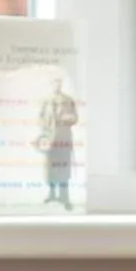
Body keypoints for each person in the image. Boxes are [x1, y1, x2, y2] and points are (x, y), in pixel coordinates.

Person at [36, 77, 80, 209]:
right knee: (51, 168)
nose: (57, 85)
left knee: (64, 168)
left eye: (59, 83)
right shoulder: (46, 100)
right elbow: (40, 117)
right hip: (50, 139)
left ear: (61, 84)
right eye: (54, 82)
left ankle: (65, 197)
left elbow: (75, 118)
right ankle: (52, 194)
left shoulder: (68, 100)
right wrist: (45, 130)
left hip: (64, 137)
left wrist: (67, 119)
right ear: (51, 84)